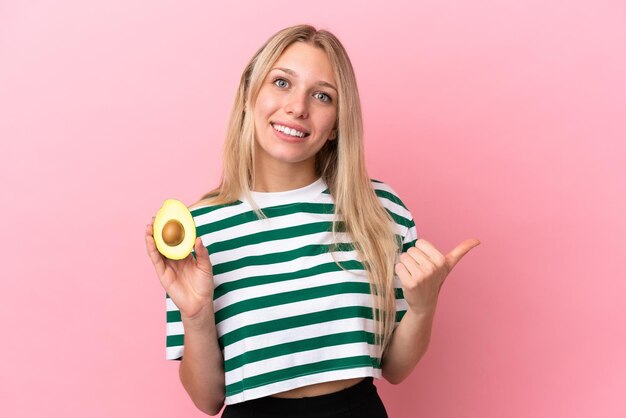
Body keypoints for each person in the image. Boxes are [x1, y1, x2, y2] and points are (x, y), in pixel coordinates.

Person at [145, 24, 479, 417]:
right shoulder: (198, 230)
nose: (298, 107)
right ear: (249, 96)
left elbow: (394, 368)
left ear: (337, 122)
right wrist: (196, 314)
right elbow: (207, 399)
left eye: (322, 95)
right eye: (282, 82)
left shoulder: (381, 211)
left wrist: (422, 308)